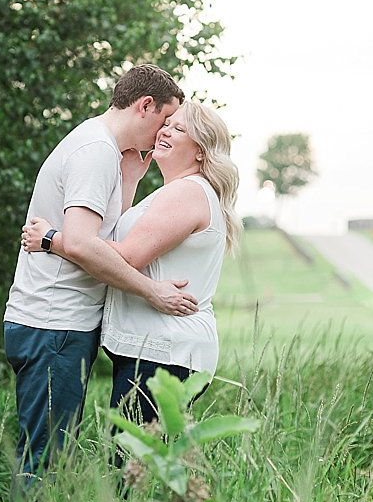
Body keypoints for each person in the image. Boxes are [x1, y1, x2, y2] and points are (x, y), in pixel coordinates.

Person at [3, 64, 198, 502]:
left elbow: (104, 238)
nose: (164, 133)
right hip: (54, 325)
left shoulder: (105, 150)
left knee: (52, 450)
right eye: (165, 121)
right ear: (144, 106)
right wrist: (154, 292)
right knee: (47, 457)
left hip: (60, 324)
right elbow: (83, 245)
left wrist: (130, 179)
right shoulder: (94, 151)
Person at [22, 100, 240, 428]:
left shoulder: (186, 193)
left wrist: (53, 239)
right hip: (161, 351)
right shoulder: (178, 192)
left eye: (179, 128)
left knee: (128, 466)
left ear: (201, 152)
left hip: (165, 353)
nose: (165, 130)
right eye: (167, 123)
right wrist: (130, 181)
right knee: (138, 462)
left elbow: (126, 257)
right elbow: (119, 237)